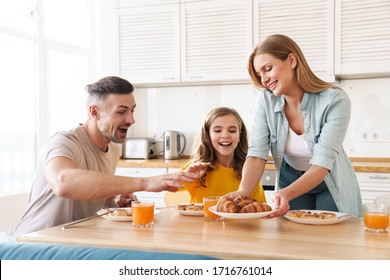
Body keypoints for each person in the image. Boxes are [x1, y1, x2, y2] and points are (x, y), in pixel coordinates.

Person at [15, 76, 206, 237]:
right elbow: (63, 182)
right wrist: (145, 182)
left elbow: (92, 194)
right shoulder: (64, 142)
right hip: (36, 242)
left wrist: (115, 202)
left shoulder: (113, 149)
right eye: (122, 112)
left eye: (132, 111)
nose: (131, 120)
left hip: (74, 241)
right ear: (94, 112)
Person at [226, 34, 362, 217]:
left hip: (329, 181)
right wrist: (243, 192)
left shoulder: (335, 100)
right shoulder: (266, 100)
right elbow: (257, 153)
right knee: (292, 241)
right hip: (290, 178)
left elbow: (322, 164)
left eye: (268, 69)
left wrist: (285, 194)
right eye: (259, 74)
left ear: (291, 60)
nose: (264, 79)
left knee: (328, 241)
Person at [180, 107, 266, 203]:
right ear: (208, 135)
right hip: (203, 219)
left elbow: (260, 209)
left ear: (240, 136)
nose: (225, 135)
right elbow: (169, 186)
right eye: (217, 131)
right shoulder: (196, 169)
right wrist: (186, 177)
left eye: (232, 131)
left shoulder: (250, 173)